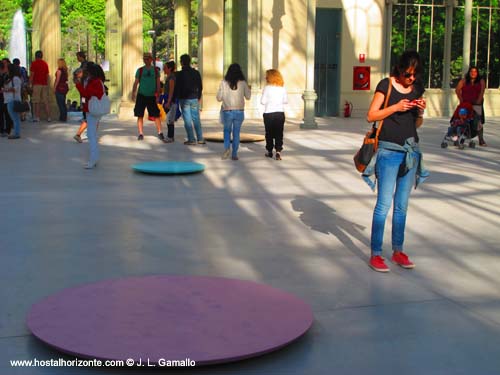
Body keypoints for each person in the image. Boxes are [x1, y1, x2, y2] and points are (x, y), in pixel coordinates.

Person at [365, 49, 428, 273]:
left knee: (402, 206)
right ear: (400, 70)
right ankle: (376, 254)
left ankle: (398, 250)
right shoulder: (386, 85)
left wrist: (419, 113)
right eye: (408, 74)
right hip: (388, 152)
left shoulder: (418, 89)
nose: (411, 79)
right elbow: (371, 115)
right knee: (383, 205)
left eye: (415, 75)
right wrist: (396, 106)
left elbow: (415, 124)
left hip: (410, 151)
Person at [216, 63, 251, 160]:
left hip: (227, 111)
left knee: (227, 131)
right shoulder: (243, 83)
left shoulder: (223, 83)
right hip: (239, 111)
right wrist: (249, 89)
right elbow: (248, 97)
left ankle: (227, 148)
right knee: (236, 133)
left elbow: (219, 98)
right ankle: (234, 153)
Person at [74, 63, 106, 169]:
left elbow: (86, 94)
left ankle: (93, 159)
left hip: (92, 110)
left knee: (91, 135)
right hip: (92, 109)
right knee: (92, 135)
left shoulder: (94, 82)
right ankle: (94, 158)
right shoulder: (96, 81)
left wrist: (78, 85)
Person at [132, 52, 164, 141]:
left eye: (147, 58)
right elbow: (136, 82)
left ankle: (160, 132)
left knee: (156, 115)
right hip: (141, 95)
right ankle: (140, 133)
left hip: (151, 96)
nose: (146, 60)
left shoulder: (155, 70)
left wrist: (158, 94)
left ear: (151, 59)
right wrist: (133, 92)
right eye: (144, 59)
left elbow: (158, 83)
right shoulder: (140, 70)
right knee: (140, 114)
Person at [175, 54, 204, 145]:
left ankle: (191, 139)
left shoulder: (179, 74)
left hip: (184, 99)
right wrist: (198, 97)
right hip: (194, 98)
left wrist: (177, 97)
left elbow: (177, 87)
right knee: (196, 119)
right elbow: (200, 86)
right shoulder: (196, 73)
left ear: (182, 62)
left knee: (187, 119)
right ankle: (200, 138)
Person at [455, 66, 487, 146]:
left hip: (476, 104)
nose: (473, 73)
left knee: (478, 122)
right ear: (469, 73)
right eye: (471, 71)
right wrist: (461, 99)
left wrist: (479, 101)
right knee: (462, 120)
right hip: (466, 104)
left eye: (475, 71)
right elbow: (457, 89)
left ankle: (481, 139)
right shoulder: (464, 80)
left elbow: (482, 91)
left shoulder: (481, 81)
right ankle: (459, 137)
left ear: (477, 73)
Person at [261, 69, 287, 160]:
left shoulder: (267, 88)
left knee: (269, 133)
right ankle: (278, 151)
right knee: (279, 133)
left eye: (267, 76)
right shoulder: (282, 88)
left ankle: (269, 151)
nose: (265, 77)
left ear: (270, 77)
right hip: (280, 113)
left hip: (269, 113)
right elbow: (285, 101)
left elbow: (263, 101)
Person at [2, 63, 23, 139]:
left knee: (15, 118)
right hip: (9, 100)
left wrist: (5, 90)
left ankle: (17, 133)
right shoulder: (10, 78)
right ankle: (16, 133)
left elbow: (16, 88)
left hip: (13, 100)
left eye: (6, 68)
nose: (5, 69)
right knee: (14, 117)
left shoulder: (15, 78)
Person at [29, 50, 51, 122]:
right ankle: (49, 117)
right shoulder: (45, 64)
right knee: (46, 101)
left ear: (35, 56)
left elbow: (32, 75)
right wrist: (48, 84)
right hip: (44, 84)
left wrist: (30, 84)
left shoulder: (34, 63)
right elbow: (47, 75)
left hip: (36, 84)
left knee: (36, 101)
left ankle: (37, 117)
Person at [162, 61, 177, 142]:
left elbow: (171, 90)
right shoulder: (169, 77)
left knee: (169, 119)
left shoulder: (171, 78)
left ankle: (170, 137)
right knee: (169, 119)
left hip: (171, 101)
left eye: (165, 68)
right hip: (169, 100)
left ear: (169, 68)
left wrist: (168, 101)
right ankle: (170, 136)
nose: (163, 69)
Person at [0, 61, 13, 137]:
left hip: (5, 97)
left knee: (6, 113)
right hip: (3, 97)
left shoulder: (6, 76)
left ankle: (6, 129)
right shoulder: (4, 76)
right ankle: (3, 129)